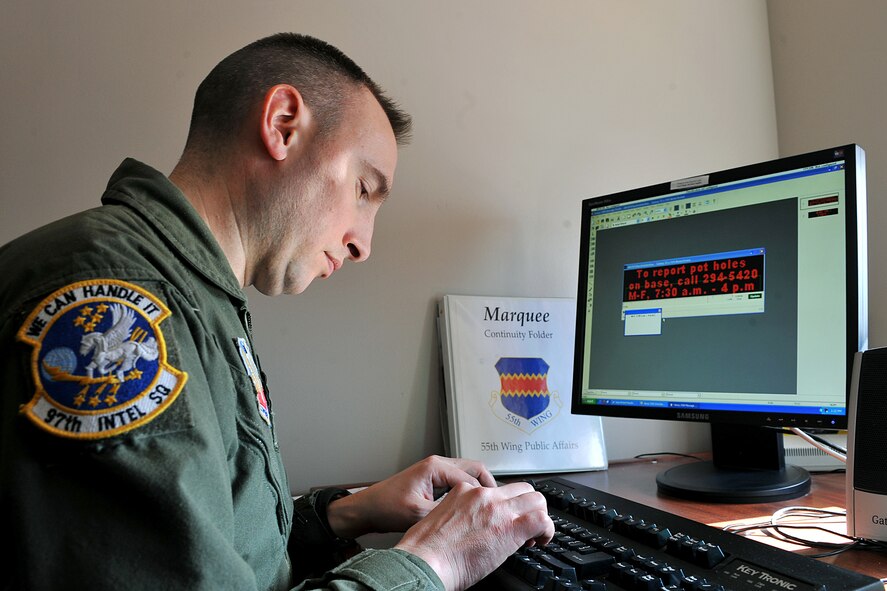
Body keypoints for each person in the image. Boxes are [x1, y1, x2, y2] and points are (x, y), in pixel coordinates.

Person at [0, 33, 553, 591]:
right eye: (363, 189)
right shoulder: (117, 304)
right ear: (283, 124)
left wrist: (349, 511)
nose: (364, 244)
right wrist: (435, 563)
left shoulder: (195, 296)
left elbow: (220, 543)